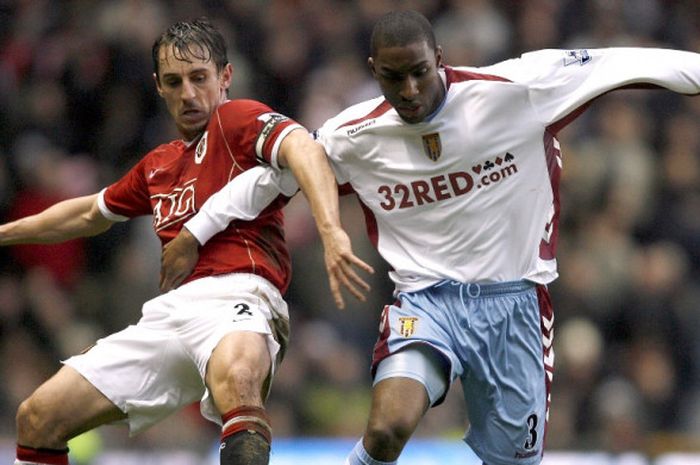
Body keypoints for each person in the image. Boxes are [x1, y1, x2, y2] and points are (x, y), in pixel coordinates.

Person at [159, 10, 700, 465]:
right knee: (388, 427)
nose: (411, 90)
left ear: (439, 58)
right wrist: (196, 230)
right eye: (394, 78)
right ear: (375, 72)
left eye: (420, 72)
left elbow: (628, 64)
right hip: (426, 302)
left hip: (515, 305)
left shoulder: (515, 91)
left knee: (512, 458)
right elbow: (274, 177)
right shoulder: (357, 136)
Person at [0, 17, 371, 465]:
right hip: (170, 314)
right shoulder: (158, 164)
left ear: (225, 77)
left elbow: (303, 147)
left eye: (200, 78)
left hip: (241, 296)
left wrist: (330, 229)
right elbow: (85, 213)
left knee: (237, 379)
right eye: (174, 82)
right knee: (38, 417)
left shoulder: (237, 120)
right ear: (158, 86)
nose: (189, 94)